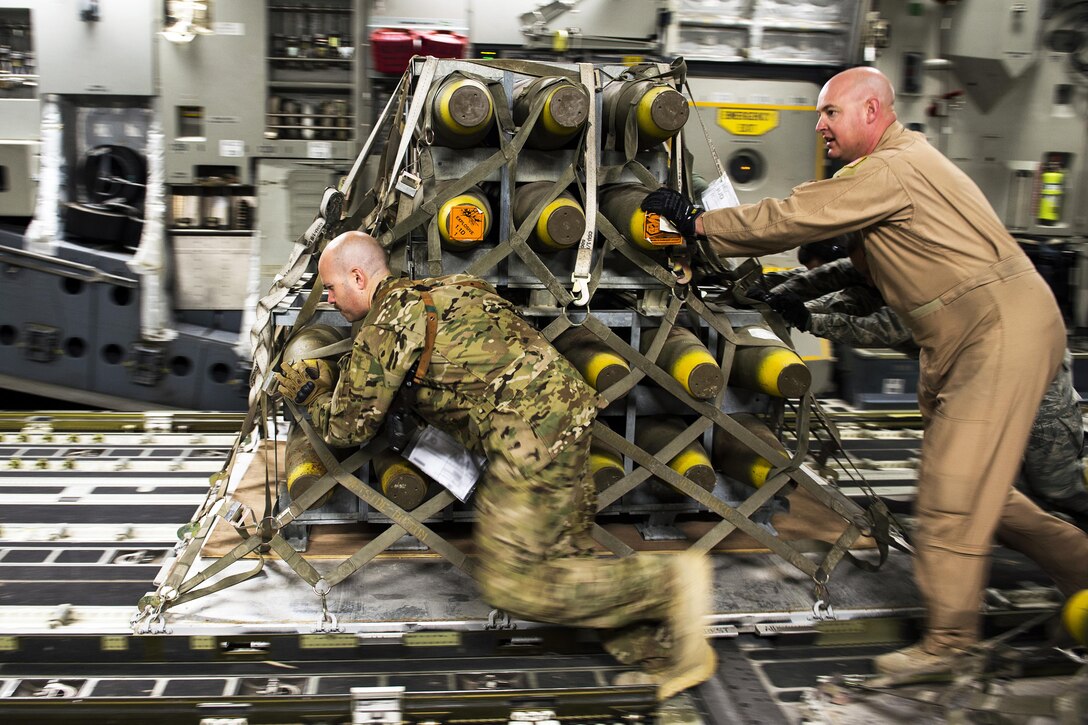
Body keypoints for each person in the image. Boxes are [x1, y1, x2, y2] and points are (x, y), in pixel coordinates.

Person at [642, 66, 1088, 674]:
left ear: (872, 112)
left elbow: (791, 218)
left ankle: (949, 645)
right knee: (986, 496)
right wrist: (791, 292)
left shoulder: (888, 169)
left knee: (949, 498)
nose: (821, 124)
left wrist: (696, 224)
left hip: (993, 335)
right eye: (820, 113)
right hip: (975, 336)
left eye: (831, 112)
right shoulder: (901, 169)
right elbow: (860, 270)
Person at [274, 230, 716, 700]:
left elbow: (348, 428)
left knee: (516, 583)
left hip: (527, 440)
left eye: (331, 288)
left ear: (358, 277)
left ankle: (671, 582)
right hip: (566, 417)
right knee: (563, 559)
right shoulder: (450, 287)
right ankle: (662, 652)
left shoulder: (386, 325)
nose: (328, 299)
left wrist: (313, 394)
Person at [757, 248, 1088, 530]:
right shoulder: (872, 263)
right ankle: (963, 519)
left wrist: (808, 320)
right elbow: (826, 282)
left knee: (1054, 485)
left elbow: (885, 329)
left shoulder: (925, 282)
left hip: (1030, 379)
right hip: (975, 383)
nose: (864, 272)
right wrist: (772, 292)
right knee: (975, 473)